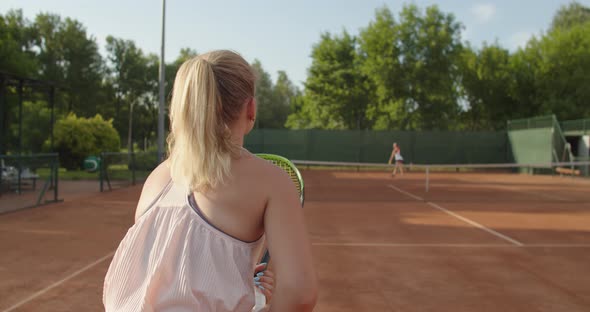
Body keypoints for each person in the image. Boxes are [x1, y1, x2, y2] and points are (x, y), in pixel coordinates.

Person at [103, 50, 317, 312]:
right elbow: (299, 293)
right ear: (251, 108)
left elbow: (165, 271)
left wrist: (233, 279)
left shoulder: (157, 177)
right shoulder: (271, 180)